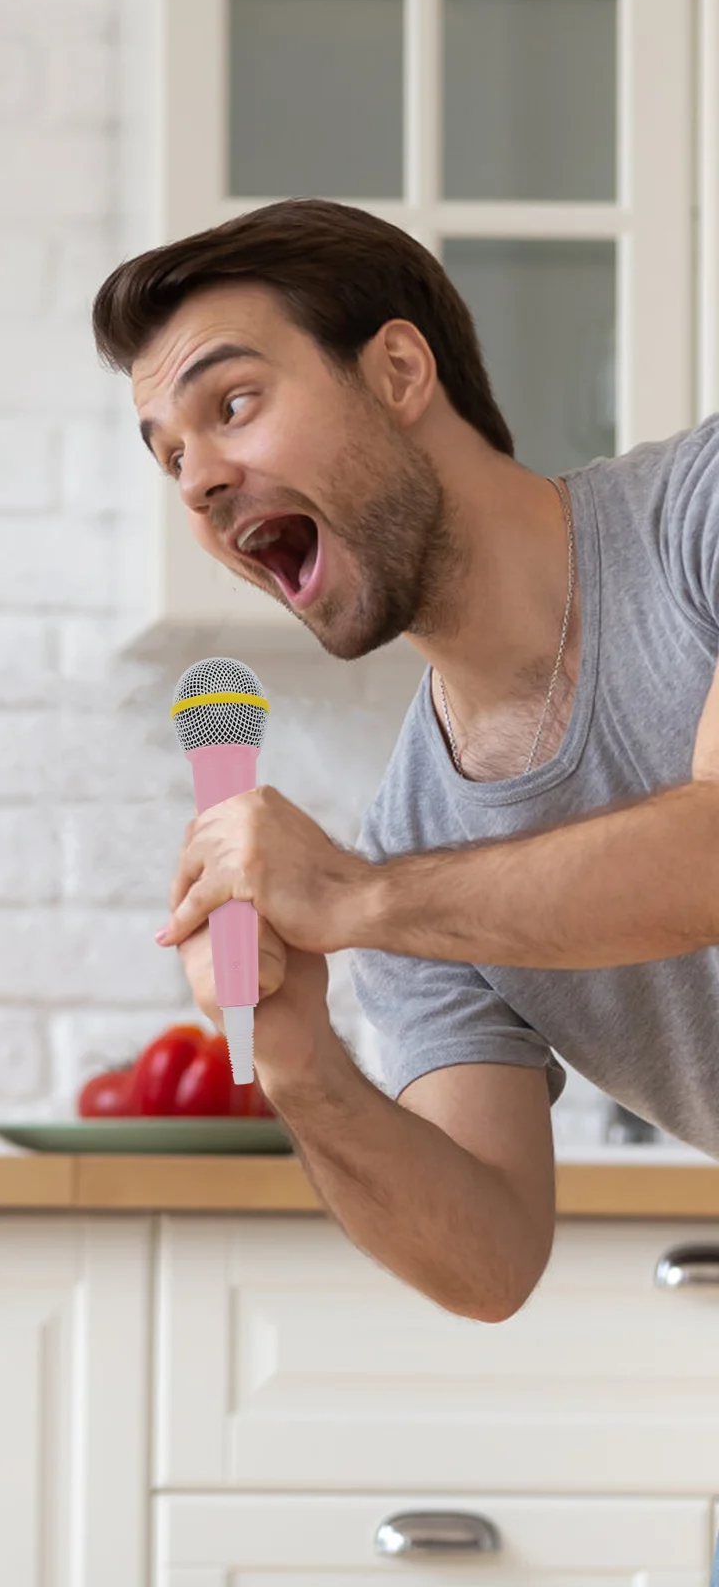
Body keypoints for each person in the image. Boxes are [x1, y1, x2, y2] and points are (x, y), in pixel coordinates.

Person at [93, 197, 719, 1327]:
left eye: (232, 404)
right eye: (171, 456)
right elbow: (488, 1258)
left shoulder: (700, 516)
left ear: (395, 370)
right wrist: (302, 1067)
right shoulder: (407, 857)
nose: (195, 480)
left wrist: (357, 899)